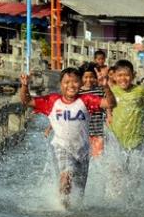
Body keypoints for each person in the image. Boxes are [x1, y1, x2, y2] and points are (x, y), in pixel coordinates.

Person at [20, 68, 115, 207]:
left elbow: (111, 104)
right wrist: (24, 86)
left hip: (82, 151)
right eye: (67, 82)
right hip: (61, 147)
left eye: (75, 82)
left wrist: (106, 87)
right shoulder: (52, 100)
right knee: (66, 176)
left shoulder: (86, 100)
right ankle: (62, 210)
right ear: (60, 84)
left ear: (81, 84)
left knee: (79, 193)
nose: (71, 85)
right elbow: (27, 101)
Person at [79, 62, 110, 157]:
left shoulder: (100, 90)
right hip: (82, 134)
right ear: (81, 78)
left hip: (98, 132)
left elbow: (108, 104)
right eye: (86, 77)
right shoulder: (78, 92)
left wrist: (109, 116)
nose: (89, 80)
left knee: (98, 159)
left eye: (91, 77)